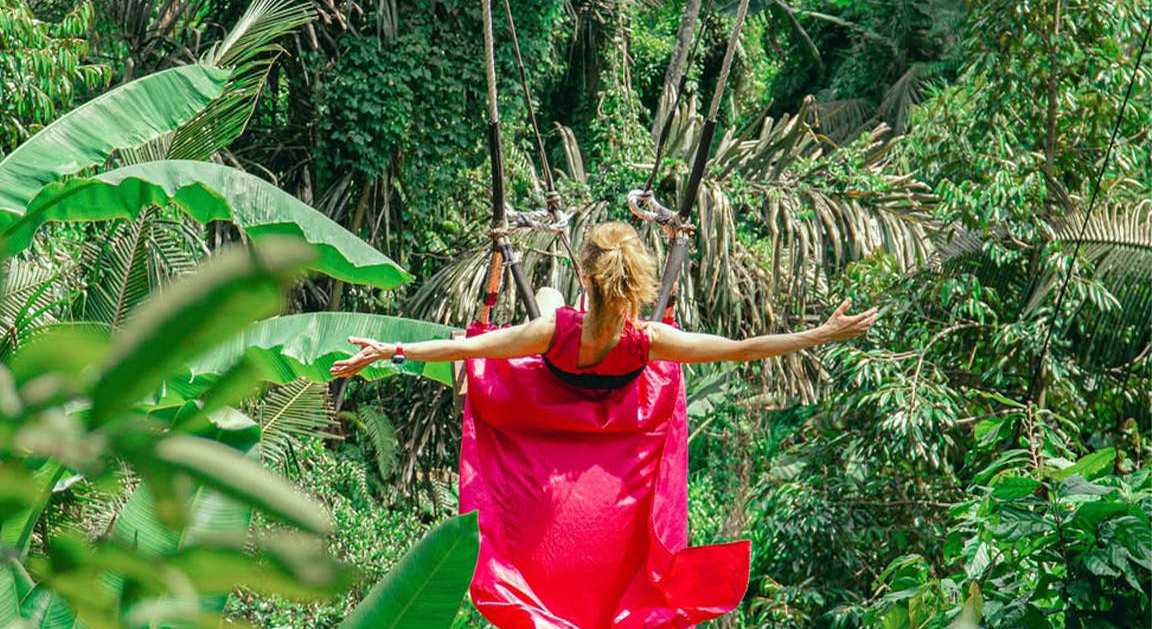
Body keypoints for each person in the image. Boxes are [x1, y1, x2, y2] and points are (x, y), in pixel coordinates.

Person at [331, 220, 877, 380]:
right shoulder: (650, 341)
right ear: (634, 284)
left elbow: (468, 351)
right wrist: (821, 334)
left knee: (545, 295)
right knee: (549, 301)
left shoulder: (554, 330)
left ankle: (551, 280)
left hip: (561, 358)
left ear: (587, 279)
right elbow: (741, 348)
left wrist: (390, 350)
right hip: (613, 375)